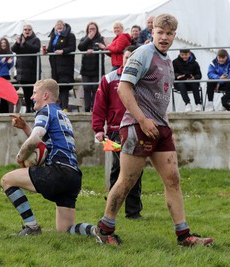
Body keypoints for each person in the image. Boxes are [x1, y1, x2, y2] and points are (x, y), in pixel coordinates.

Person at [93, 14, 214, 247]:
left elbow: (161, 99)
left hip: (160, 129)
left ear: (174, 36)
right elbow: (123, 89)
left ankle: (184, 236)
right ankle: (104, 229)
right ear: (153, 32)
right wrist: (142, 120)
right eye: (160, 33)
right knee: (127, 180)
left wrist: (165, 125)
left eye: (169, 34)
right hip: (138, 127)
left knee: (173, 180)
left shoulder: (167, 60)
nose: (164, 37)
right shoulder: (143, 53)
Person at [3, 78, 94, 237]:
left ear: (45, 95)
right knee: (65, 229)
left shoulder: (45, 111)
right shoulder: (61, 114)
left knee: (7, 180)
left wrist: (20, 157)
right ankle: (97, 230)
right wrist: (25, 127)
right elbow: (46, 142)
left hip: (58, 172)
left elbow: (35, 140)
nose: (31, 97)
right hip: (73, 177)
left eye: (34, 93)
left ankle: (31, 227)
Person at [92, 45, 143, 220]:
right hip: (115, 131)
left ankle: (133, 212)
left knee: (136, 171)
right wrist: (98, 129)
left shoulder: (142, 79)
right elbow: (99, 106)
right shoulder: (109, 79)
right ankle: (113, 207)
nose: (128, 60)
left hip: (138, 130)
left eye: (132, 57)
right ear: (122, 58)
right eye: (126, 57)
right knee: (118, 168)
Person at [47, 20, 76, 112]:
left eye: (60, 25)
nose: (59, 26)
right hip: (55, 65)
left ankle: (64, 108)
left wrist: (62, 51)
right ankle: (58, 107)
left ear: (64, 26)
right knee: (56, 86)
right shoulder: (53, 36)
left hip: (66, 64)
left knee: (64, 86)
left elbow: (72, 47)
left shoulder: (70, 35)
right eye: (57, 25)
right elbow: (50, 49)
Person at [11, 23, 41, 113]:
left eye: (29, 29)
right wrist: (17, 43)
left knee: (33, 91)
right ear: (23, 31)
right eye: (25, 29)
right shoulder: (19, 40)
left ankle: (34, 107)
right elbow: (13, 49)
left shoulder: (36, 40)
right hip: (22, 70)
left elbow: (35, 49)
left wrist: (25, 44)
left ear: (32, 31)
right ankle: (28, 108)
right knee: (26, 91)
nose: (27, 31)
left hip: (32, 70)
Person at [78, 21, 106, 112]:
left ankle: (94, 108)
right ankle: (86, 108)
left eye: (93, 29)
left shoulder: (101, 38)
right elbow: (80, 47)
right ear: (87, 30)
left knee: (95, 88)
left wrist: (101, 48)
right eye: (90, 29)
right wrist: (88, 38)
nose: (92, 31)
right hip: (86, 68)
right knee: (86, 88)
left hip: (97, 68)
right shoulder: (84, 38)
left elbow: (106, 48)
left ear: (97, 30)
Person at [0, 37, 15, 113]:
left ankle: (4, 111)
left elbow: (10, 65)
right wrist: (2, 62)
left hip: (5, 74)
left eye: (4, 43)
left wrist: (8, 63)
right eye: (2, 43)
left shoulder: (10, 53)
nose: (3, 44)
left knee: (4, 94)